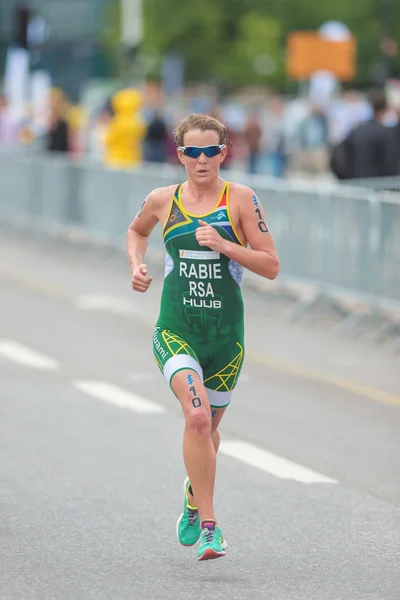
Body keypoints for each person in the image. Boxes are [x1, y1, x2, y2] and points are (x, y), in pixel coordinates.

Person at [126, 114, 279, 561]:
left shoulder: (241, 199)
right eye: (192, 152)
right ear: (180, 155)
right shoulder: (162, 199)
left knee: (209, 433)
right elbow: (136, 232)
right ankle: (211, 527)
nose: (202, 160)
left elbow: (270, 266)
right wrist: (136, 265)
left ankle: (193, 498)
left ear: (224, 153)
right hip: (176, 331)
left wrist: (225, 244)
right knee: (195, 419)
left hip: (225, 341)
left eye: (210, 151)